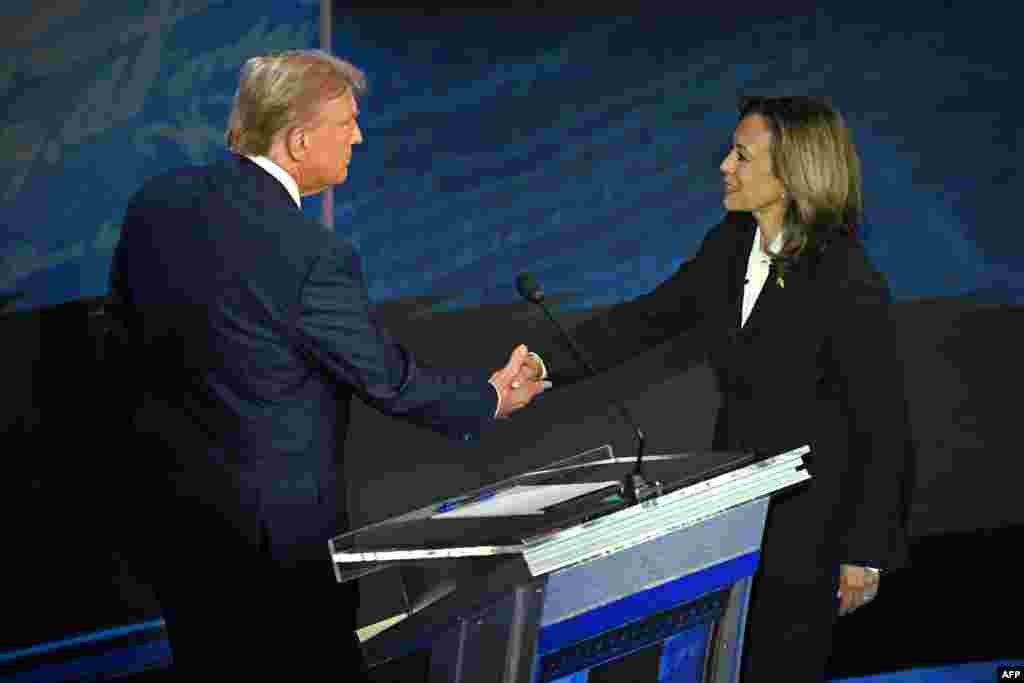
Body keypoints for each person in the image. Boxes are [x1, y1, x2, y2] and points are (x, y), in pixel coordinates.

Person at [107, 50, 549, 680]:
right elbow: (387, 378)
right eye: (347, 122)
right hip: (278, 558)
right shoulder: (310, 254)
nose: (359, 136)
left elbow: (126, 345)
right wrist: (491, 397)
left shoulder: (158, 206)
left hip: (176, 531)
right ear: (298, 139)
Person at [518, 96, 909, 681]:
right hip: (734, 514)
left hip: (811, 527)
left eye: (741, 155)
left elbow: (883, 425)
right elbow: (649, 318)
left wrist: (866, 552)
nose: (725, 166)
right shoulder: (730, 242)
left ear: (792, 171)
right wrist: (549, 365)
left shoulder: (845, 277)